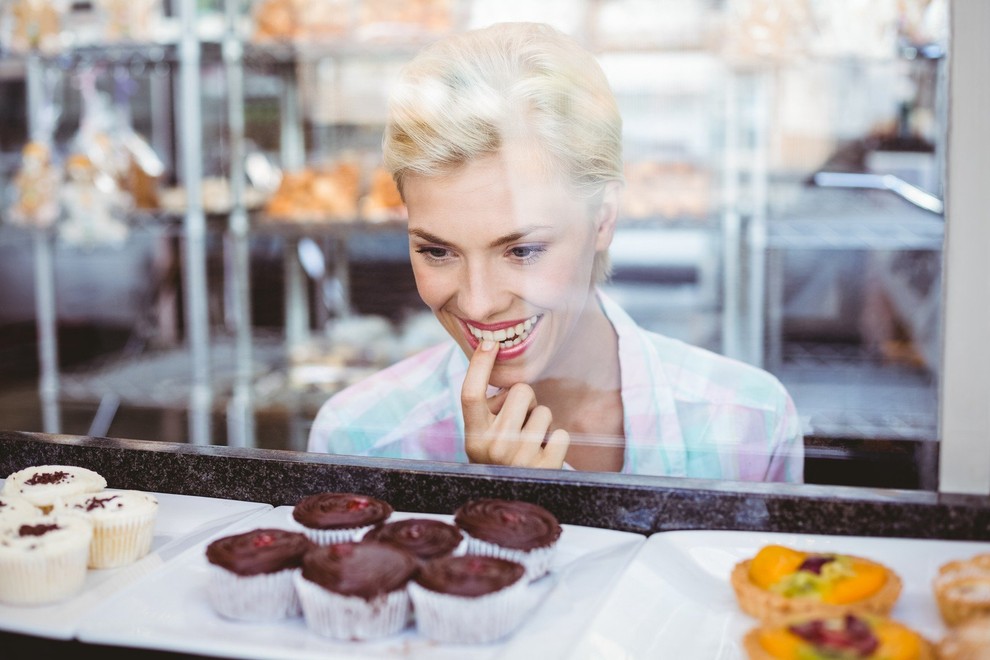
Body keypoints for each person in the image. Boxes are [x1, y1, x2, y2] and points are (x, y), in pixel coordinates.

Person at [307, 22, 803, 482]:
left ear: (604, 217)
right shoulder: (360, 436)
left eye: (522, 250)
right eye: (437, 252)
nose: (478, 304)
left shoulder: (750, 426)